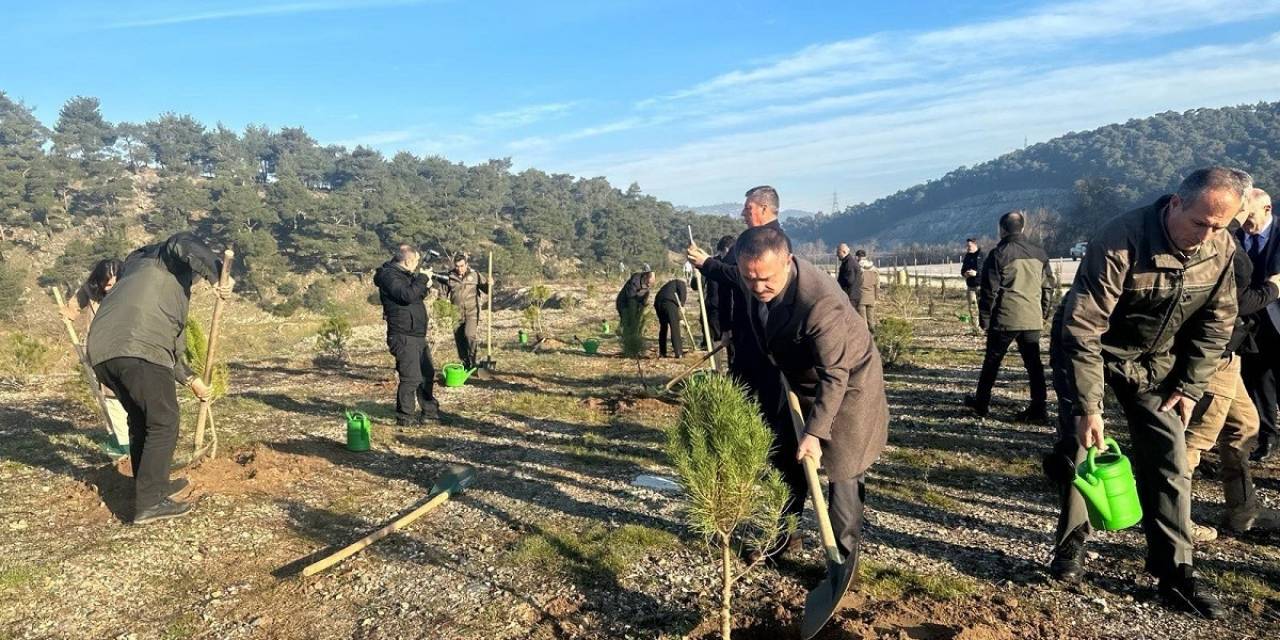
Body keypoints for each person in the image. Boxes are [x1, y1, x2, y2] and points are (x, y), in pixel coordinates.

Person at [1048, 167, 1246, 619]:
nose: (1208, 234)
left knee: (1171, 459)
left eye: (1221, 225)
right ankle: (1071, 547)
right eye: (1201, 223)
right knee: (1085, 450)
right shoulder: (1120, 240)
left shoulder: (1221, 248)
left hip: (1155, 364)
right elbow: (1083, 329)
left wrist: (1191, 385)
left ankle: (1175, 574)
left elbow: (1217, 324)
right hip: (1091, 351)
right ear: (1176, 203)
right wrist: (1088, 406)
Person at [736, 225, 889, 562]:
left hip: (849, 385)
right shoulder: (756, 274)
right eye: (749, 278)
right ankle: (780, 541)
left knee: (844, 470)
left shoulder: (819, 302)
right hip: (800, 380)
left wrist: (816, 432)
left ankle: (843, 563)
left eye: (765, 279)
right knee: (787, 460)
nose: (757, 287)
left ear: (788, 261)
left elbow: (835, 375)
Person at [87, 233, 229, 524]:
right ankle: (150, 502)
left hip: (104, 353)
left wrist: (191, 380)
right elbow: (184, 241)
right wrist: (218, 274)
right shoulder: (164, 258)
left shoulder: (135, 280)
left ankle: (150, 486)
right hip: (138, 346)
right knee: (164, 421)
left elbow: (172, 348)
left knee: (141, 419)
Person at [1184, 187, 1280, 541]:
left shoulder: (1220, 237)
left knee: (1244, 425)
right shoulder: (1224, 242)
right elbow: (1237, 300)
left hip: (1231, 351)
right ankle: (1173, 519)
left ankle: (1243, 512)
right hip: (1216, 354)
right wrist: (1273, 288)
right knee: (1197, 438)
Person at [688, 186, 786, 416]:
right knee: (741, 390)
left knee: (768, 397)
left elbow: (740, 276)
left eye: (748, 208)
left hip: (765, 335)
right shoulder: (749, 239)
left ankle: (766, 443)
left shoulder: (773, 241)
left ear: (764, 208)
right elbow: (729, 281)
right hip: (745, 331)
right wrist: (728, 328)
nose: (743, 213)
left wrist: (707, 264)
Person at [964, 211, 1053, 420]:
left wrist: (984, 318)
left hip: (1005, 318)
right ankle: (1039, 408)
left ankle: (981, 405)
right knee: (1034, 366)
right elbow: (1048, 287)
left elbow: (989, 291)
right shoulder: (1040, 253)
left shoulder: (998, 254)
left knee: (992, 362)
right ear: (1022, 228)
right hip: (1032, 318)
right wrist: (1043, 313)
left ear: (1001, 229)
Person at [60, 259, 131, 456]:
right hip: (101, 350)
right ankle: (121, 440)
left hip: (127, 348)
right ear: (98, 281)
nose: (110, 288)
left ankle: (129, 438)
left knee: (127, 394)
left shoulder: (130, 290)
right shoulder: (91, 291)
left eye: (114, 283)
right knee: (110, 395)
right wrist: (69, 312)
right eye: (106, 283)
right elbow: (75, 303)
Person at [374, 243, 440, 427]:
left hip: (417, 333)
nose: (417, 264)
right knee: (410, 378)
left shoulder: (405, 276)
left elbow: (415, 297)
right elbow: (405, 295)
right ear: (408, 260)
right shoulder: (388, 276)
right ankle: (405, 417)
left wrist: (425, 285)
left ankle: (430, 413)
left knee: (427, 374)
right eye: (416, 261)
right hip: (402, 334)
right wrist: (421, 279)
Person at [1238, 190, 1280, 462]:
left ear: (1267, 209)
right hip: (1250, 326)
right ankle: (1267, 439)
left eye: (1250, 216)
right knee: (1259, 384)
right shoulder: (1232, 237)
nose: (1245, 223)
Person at [432, 254, 489, 370]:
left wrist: (489, 284)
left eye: (462, 266)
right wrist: (441, 310)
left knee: (469, 335)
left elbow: (487, 290)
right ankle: (465, 362)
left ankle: (473, 360)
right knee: (459, 338)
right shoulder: (449, 277)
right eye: (457, 266)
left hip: (472, 311)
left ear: (466, 265)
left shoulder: (475, 275)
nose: (459, 269)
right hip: (456, 313)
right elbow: (442, 294)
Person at [690, 235, 733, 343]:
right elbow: (696, 285)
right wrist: (696, 275)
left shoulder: (733, 266)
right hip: (715, 308)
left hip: (727, 308)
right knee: (715, 340)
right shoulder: (711, 264)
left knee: (728, 343)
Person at [653, 278, 689, 358]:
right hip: (669, 302)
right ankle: (679, 352)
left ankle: (662, 352)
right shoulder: (681, 283)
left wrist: (681, 320)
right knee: (674, 327)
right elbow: (681, 304)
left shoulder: (669, 285)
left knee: (663, 327)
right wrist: (682, 305)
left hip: (658, 302)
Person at [961, 238, 984, 333]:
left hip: (981, 285)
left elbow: (987, 270)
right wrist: (965, 274)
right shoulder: (967, 256)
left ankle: (985, 327)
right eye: (967, 246)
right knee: (973, 308)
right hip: (970, 287)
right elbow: (962, 270)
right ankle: (976, 329)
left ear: (975, 245)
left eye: (969, 246)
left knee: (983, 308)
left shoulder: (982, 255)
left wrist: (977, 273)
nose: (968, 248)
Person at [854, 249, 877, 331]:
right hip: (871, 297)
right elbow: (877, 285)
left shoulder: (857, 268)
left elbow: (855, 283)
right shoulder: (874, 268)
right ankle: (873, 336)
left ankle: (865, 340)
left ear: (858, 257)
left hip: (861, 297)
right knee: (871, 320)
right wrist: (876, 297)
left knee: (862, 322)